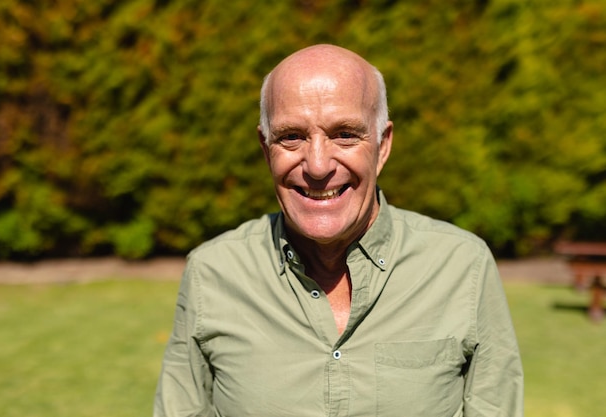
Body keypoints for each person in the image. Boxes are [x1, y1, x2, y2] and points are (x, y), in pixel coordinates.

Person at [154, 44, 523, 417]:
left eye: (345, 134)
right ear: (266, 151)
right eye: (291, 136)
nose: (317, 166)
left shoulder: (463, 268)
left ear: (382, 147)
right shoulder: (213, 273)